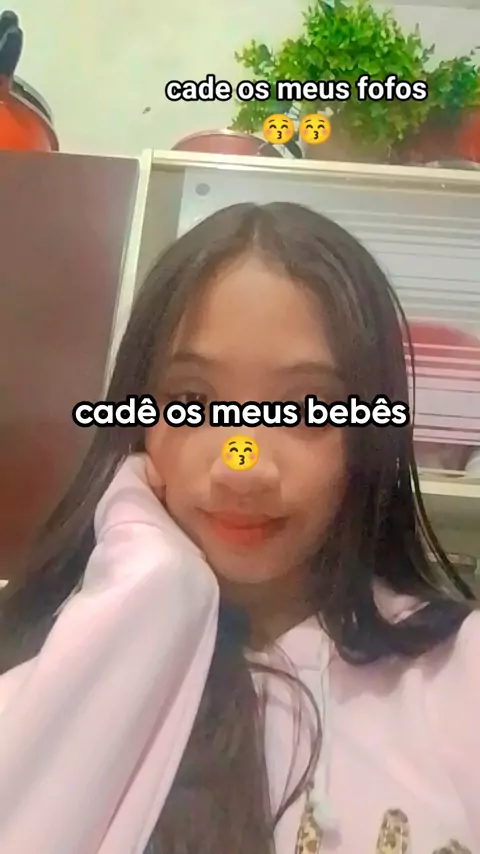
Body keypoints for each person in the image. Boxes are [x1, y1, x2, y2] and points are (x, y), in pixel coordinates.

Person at [0, 202, 478, 854]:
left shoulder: (460, 676)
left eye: (307, 407)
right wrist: (146, 595)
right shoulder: (35, 661)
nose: (242, 467)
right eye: (193, 404)